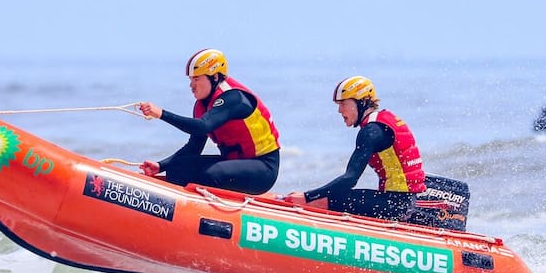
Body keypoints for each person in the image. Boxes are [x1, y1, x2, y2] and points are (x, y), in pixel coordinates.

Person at [137, 48, 281, 195]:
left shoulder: (234, 98)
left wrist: (161, 114)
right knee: (178, 167)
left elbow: (203, 126)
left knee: (212, 175)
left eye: (197, 79)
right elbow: (194, 147)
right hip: (233, 164)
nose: (191, 86)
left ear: (215, 77)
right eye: (191, 79)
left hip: (263, 169)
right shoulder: (202, 106)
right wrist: (161, 166)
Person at [284, 75, 425, 221]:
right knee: (337, 197)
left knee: (325, 200)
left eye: (343, 103)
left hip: (394, 205)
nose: (339, 110)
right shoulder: (384, 121)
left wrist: (307, 197)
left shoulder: (371, 131)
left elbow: (349, 179)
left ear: (362, 102)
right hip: (404, 202)